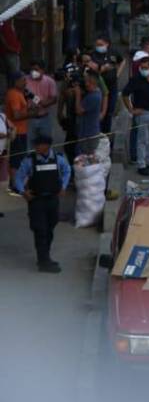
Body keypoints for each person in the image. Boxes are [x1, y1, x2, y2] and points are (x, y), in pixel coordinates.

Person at [13, 135, 71, 272]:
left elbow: (67, 170)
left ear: (47, 146)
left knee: (50, 228)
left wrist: (63, 186)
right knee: (40, 230)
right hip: (37, 200)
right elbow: (18, 177)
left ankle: (46, 256)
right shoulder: (29, 160)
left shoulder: (58, 158)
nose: (36, 147)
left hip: (52, 199)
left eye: (39, 145)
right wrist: (23, 192)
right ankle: (43, 262)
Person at [122, 52, 149, 176]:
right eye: (142, 68)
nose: (143, 70)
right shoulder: (135, 79)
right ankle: (141, 164)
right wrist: (131, 110)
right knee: (142, 140)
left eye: (146, 68)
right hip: (142, 112)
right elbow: (125, 94)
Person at [89, 36, 120, 137]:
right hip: (99, 87)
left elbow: (121, 61)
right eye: (97, 45)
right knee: (99, 112)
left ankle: (106, 135)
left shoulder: (113, 53)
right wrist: (103, 68)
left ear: (107, 44)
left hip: (112, 87)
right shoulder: (92, 55)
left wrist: (117, 73)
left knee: (109, 112)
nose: (98, 47)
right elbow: (93, 69)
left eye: (101, 44)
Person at [6, 72, 30, 193]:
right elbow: (16, 115)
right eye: (23, 80)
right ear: (16, 81)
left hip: (22, 131)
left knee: (20, 158)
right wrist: (30, 111)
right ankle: (14, 185)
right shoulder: (14, 94)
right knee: (16, 159)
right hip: (17, 132)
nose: (25, 82)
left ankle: (17, 183)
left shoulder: (20, 93)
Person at [25, 60, 58, 143]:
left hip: (45, 118)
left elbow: (53, 99)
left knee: (46, 144)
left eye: (36, 69)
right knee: (29, 146)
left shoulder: (50, 82)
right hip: (29, 118)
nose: (33, 72)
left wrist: (39, 101)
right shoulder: (25, 80)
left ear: (43, 70)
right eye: (31, 70)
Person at [76, 70, 104, 155]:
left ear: (91, 82)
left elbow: (79, 111)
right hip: (87, 132)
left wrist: (78, 95)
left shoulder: (94, 97)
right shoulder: (95, 92)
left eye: (86, 81)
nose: (84, 83)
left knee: (86, 158)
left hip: (88, 135)